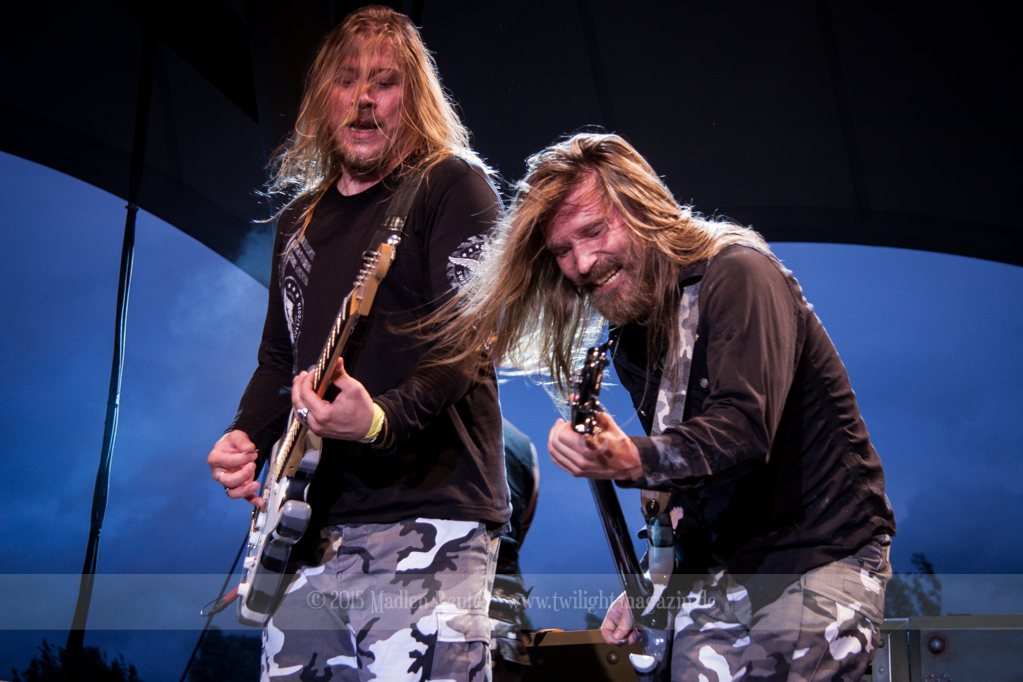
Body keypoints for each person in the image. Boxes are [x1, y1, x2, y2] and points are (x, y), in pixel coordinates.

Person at [432, 133, 896, 681]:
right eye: (562, 251)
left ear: (642, 206)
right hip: (723, 570)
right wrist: (657, 583)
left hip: (817, 557)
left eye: (594, 231)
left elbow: (742, 432)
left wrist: (630, 457)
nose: (582, 262)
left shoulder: (739, 274)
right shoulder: (632, 334)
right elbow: (689, 487)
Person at [206, 7, 509, 681]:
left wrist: (377, 420)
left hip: (425, 516)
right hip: (304, 532)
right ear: (324, 97)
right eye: (347, 80)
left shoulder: (450, 186)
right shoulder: (300, 219)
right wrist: (246, 435)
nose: (364, 98)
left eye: (384, 81)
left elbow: (467, 341)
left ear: (414, 97)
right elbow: (280, 359)